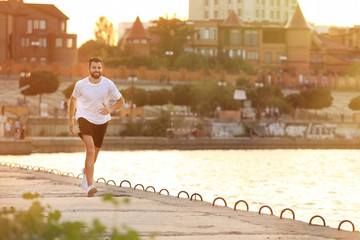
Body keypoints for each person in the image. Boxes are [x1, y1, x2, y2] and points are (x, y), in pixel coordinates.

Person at [68, 57, 125, 197]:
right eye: (94, 68)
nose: (96, 70)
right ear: (89, 69)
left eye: (99, 68)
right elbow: (73, 99)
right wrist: (70, 119)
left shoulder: (108, 84)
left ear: (102, 69)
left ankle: (86, 171)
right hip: (84, 118)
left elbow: (121, 101)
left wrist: (110, 109)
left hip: (101, 121)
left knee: (95, 155)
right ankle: (90, 185)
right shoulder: (80, 84)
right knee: (90, 150)